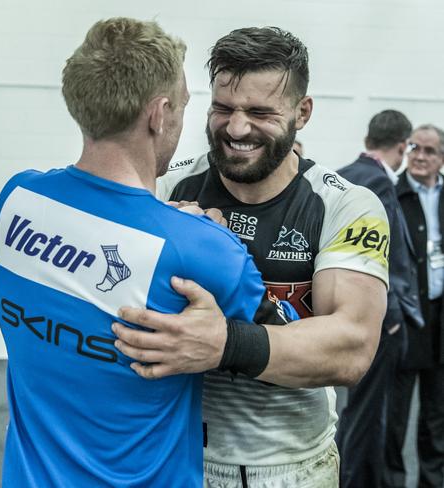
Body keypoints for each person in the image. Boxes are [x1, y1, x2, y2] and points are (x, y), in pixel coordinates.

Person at [0, 18, 297, 488]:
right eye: (185, 107)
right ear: (158, 114)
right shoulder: (204, 249)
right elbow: (288, 348)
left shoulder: (16, 200)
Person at [112, 27, 389, 487]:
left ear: (303, 112)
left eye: (260, 112)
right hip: (170, 453)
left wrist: (224, 341)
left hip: (291, 467)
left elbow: (351, 347)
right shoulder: (164, 189)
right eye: (223, 109)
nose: (237, 128)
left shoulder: (345, 204)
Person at [335, 110, 423, 487]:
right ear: (402, 146)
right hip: (378, 319)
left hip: (341, 307)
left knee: (351, 411)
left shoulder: (341, 176)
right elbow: (391, 260)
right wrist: (393, 319)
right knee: (370, 416)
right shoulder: (379, 184)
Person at [386, 124, 444, 488]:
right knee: (395, 416)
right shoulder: (393, 194)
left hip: (440, 318)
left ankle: (432, 481)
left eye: (429, 151)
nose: (420, 157)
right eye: (414, 149)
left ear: (441, 157)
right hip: (406, 320)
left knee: (437, 416)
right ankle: (392, 480)